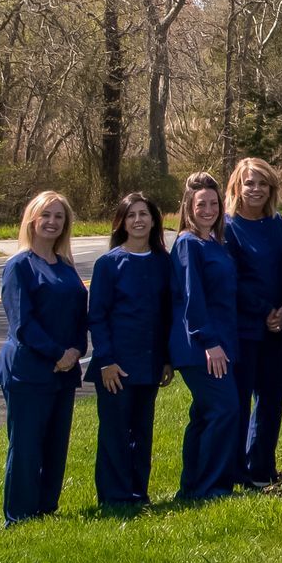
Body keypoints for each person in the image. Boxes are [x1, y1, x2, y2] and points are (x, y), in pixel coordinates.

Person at [0, 191, 87, 524]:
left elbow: (80, 316)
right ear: (32, 219)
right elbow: (23, 324)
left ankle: (46, 509)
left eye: (59, 216)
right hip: (28, 371)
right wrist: (58, 353)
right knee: (26, 446)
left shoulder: (65, 267)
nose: (52, 222)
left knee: (55, 445)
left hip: (64, 371)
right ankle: (19, 516)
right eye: (45, 215)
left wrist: (77, 350)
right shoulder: (19, 266)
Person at [87, 192, 173, 507]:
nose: (138, 220)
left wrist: (166, 359)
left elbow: (167, 315)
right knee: (115, 434)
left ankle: (139, 493)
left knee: (142, 433)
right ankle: (115, 497)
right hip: (115, 367)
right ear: (122, 222)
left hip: (150, 363)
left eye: (143, 214)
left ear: (154, 220)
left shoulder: (164, 262)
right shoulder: (108, 264)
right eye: (131, 215)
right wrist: (106, 361)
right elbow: (96, 316)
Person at [172, 172, 242, 501]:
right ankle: (212, 487)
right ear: (188, 206)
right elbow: (191, 298)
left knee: (203, 415)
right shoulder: (188, 243)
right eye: (202, 204)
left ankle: (192, 487)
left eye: (214, 203)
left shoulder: (214, 242)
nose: (209, 209)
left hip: (221, 343)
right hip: (200, 347)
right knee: (224, 410)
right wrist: (209, 343)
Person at [224, 157, 282, 489]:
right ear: (237, 186)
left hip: (276, 326)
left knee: (272, 396)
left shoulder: (277, 223)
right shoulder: (228, 227)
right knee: (239, 400)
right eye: (249, 183)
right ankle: (235, 469)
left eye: (263, 184)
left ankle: (261, 467)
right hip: (244, 327)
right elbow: (232, 280)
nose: (256, 189)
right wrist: (265, 310)